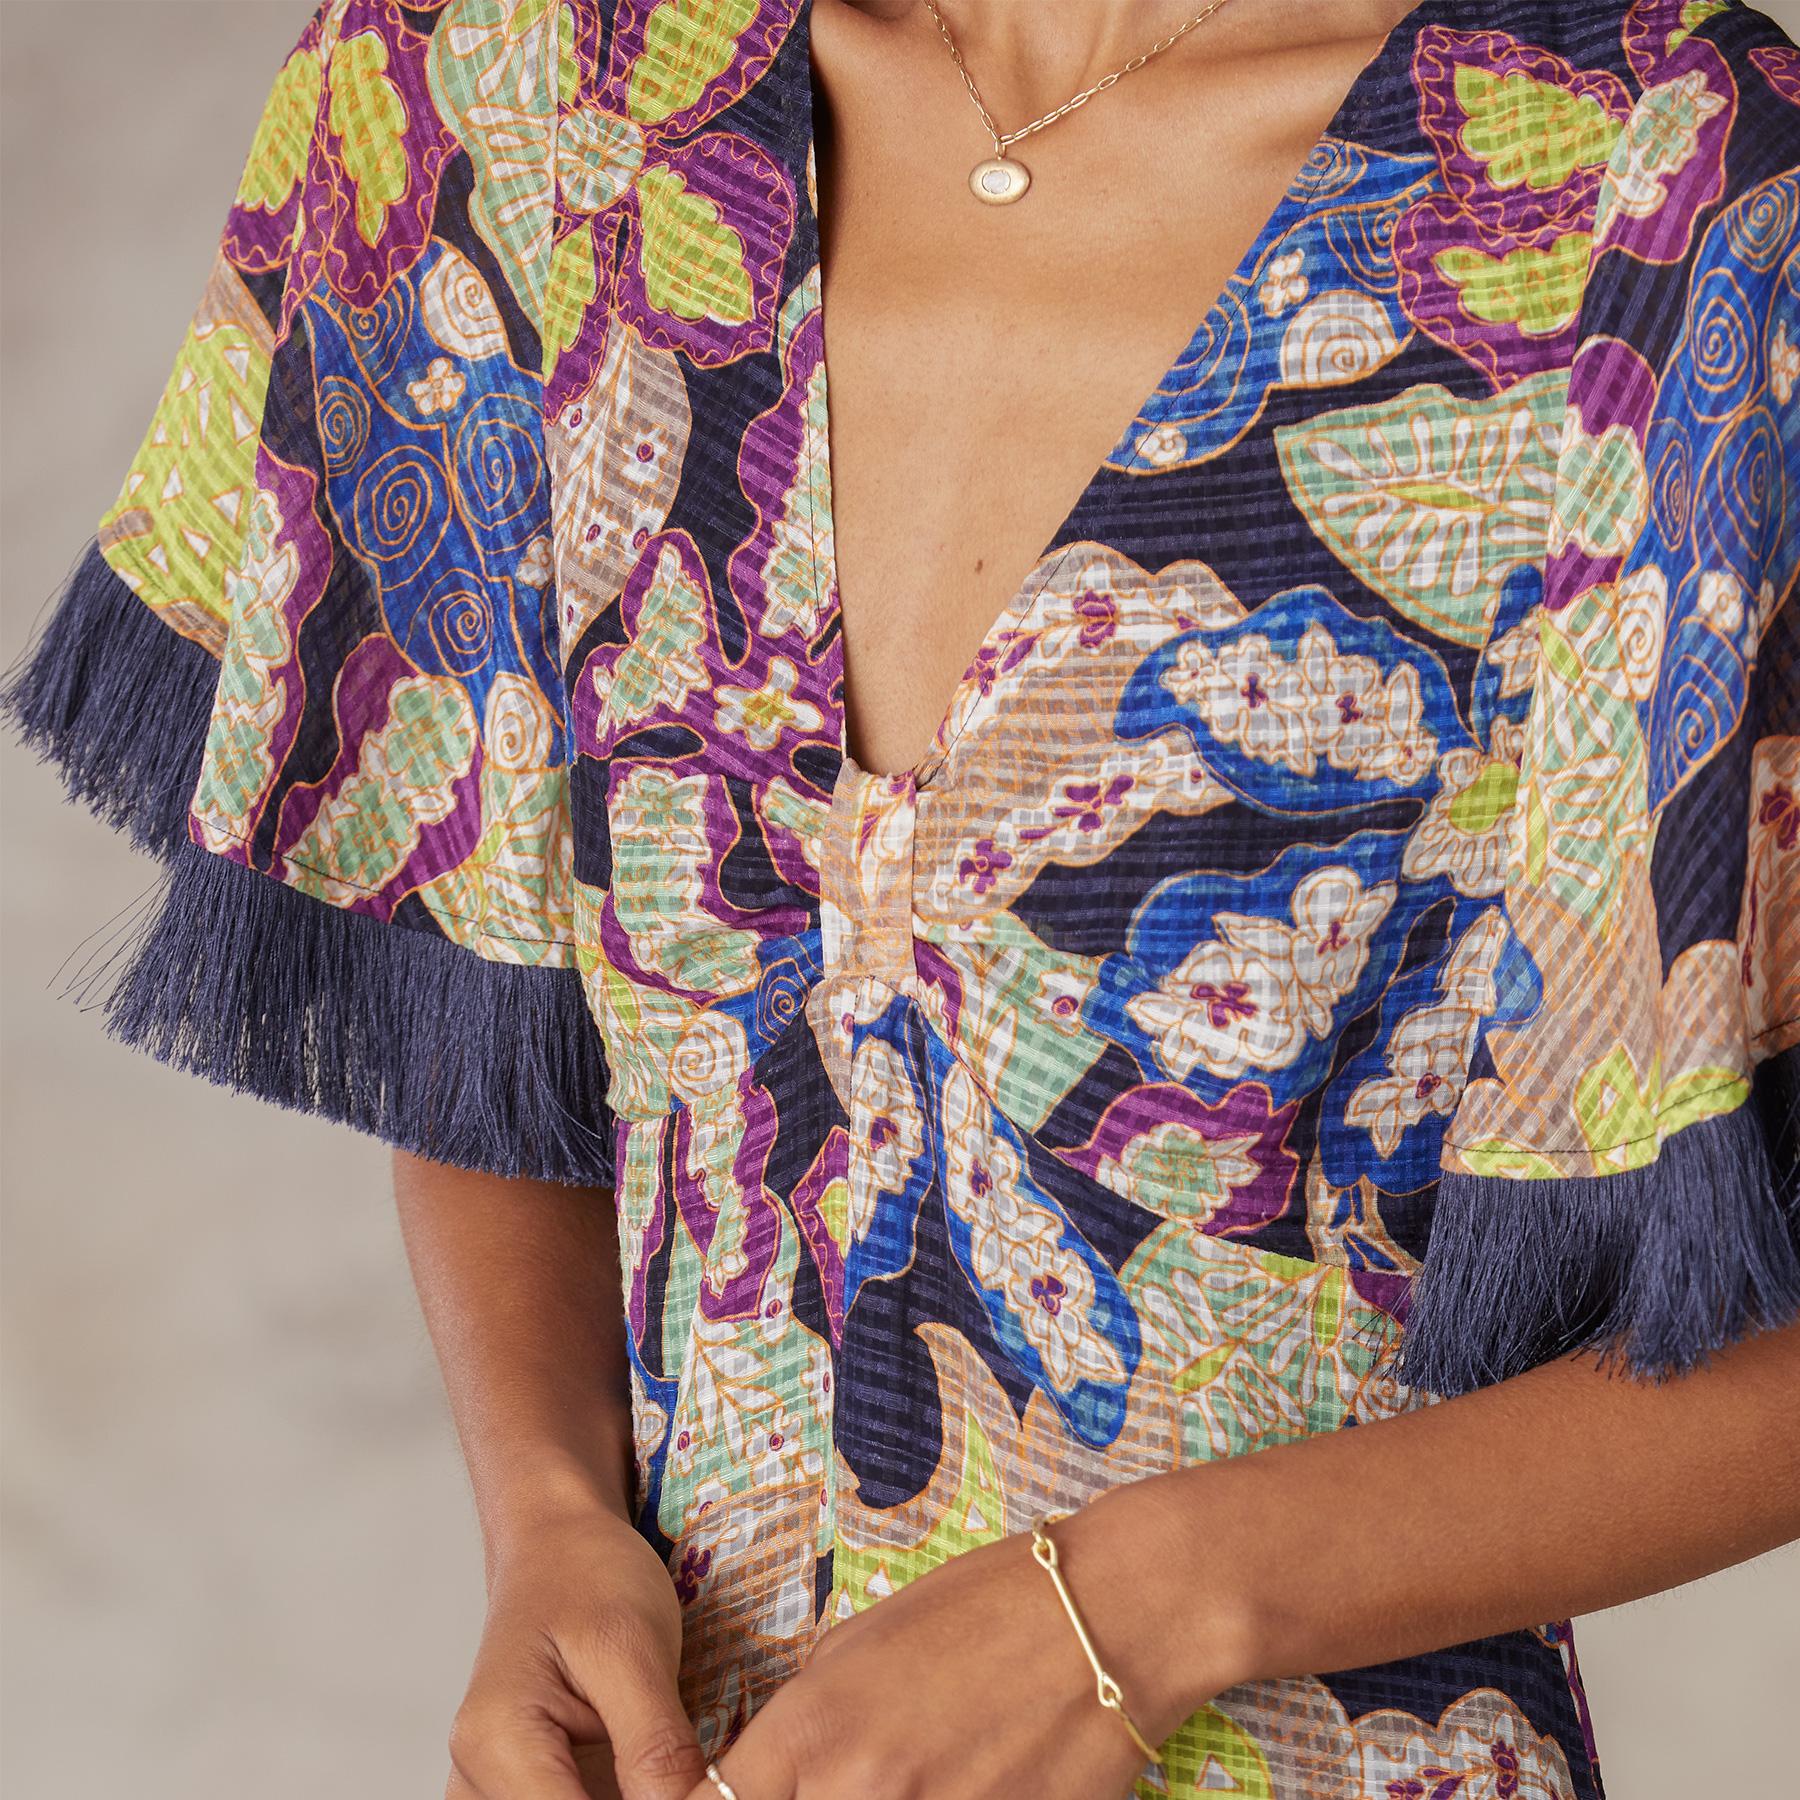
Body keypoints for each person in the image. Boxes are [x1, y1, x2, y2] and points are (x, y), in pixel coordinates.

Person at [5, 1, 1799, 1795]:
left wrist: (1137, 1609)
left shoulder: (1650, 179)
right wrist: (552, 1518)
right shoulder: (515, 77)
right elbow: (490, 992)